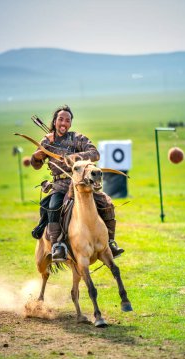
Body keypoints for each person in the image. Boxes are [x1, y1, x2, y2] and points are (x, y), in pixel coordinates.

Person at [31, 105, 124, 261]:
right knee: (54, 207)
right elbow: (36, 165)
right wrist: (37, 157)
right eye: (60, 119)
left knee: (107, 203)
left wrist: (76, 157)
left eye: (67, 120)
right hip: (60, 185)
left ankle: (110, 243)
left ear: (70, 124)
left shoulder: (78, 138)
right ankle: (57, 246)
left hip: (82, 183)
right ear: (55, 121)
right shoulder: (47, 141)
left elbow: (95, 154)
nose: (63, 123)